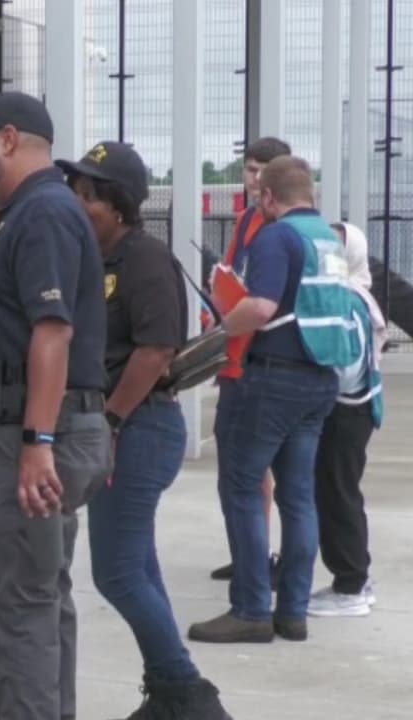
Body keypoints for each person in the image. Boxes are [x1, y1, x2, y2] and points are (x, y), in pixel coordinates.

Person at [0, 91, 112, 719]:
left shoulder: (41, 214)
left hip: (39, 432)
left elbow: (53, 329)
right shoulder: (36, 213)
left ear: (8, 139)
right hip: (47, 428)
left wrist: (38, 442)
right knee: (38, 600)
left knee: (17, 612)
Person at [61, 142, 231, 717]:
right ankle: (166, 692)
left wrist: (108, 421)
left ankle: (189, 695)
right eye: (76, 194)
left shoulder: (143, 260)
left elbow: (155, 350)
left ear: (120, 205)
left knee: (117, 572)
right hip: (122, 427)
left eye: (91, 196)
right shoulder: (96, 261)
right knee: (140, 567)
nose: (80, 204)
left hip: (138, 429)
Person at [188, 156, 359, 644]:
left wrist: (222, 323)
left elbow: (261, 307)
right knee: (298, 496)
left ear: (267, 197)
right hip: (320, 379)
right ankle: (293, 612)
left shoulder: (275, 237)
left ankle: (250, 609)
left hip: (270, 380)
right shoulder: (328, 240)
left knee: (242, 489)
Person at [209, 137, 293, 585]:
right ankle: (249, 551)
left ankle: (264, 564)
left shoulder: (285, 230)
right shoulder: (244, 223)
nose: (253, 177)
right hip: (237, 359)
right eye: (249, 168)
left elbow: (264, 303)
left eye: (263, 170)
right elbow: (228, 275)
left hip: (270, 363)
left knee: (277, 477)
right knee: (240, 471)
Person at [308, 221, 384, 618]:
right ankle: (351, 580)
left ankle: (351, 584)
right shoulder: (349, 297)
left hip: (347, 412)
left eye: (338, 249)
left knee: (338, 495)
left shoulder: (351, 300)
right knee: (335, 493)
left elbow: (347, 369)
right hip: (349, 410)